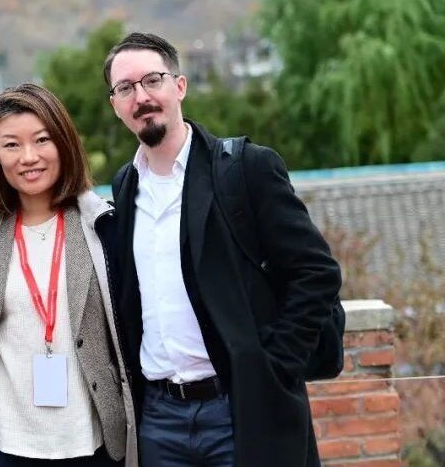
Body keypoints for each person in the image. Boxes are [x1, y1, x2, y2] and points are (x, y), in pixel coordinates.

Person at [106, 32, 342, 467]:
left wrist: (274, 368)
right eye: (126, 88)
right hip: (159, 419)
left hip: (239, 410)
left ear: (180, 86)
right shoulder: (125, 187)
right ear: (115, 104)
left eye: (152, 80)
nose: (141, 97)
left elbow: (317, 273)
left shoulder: (246, 168)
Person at [0, 83, 137, 467]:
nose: (28, 157)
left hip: (89, 439)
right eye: (11, 145)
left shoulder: (101, 226)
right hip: (6, 440)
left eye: (42, 140)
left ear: (64, 142)